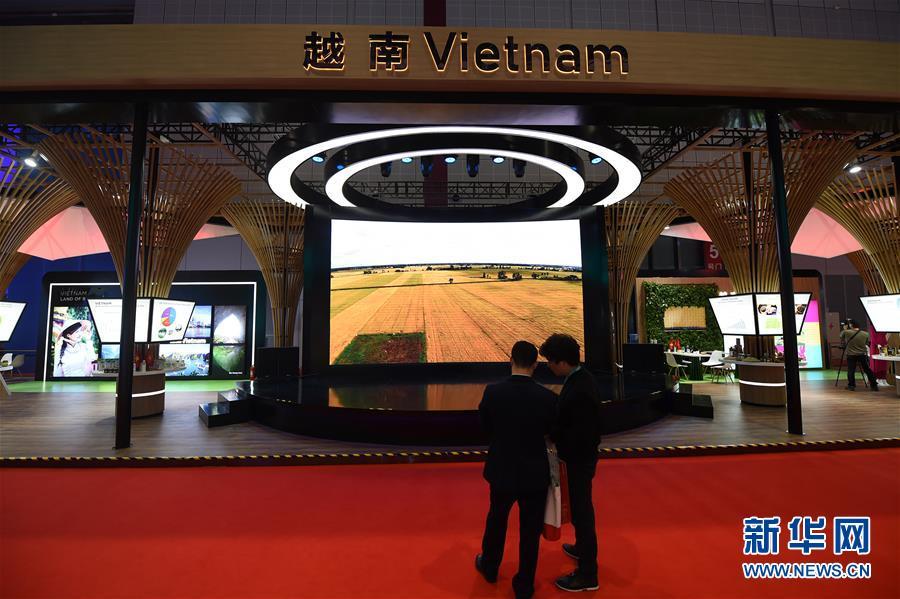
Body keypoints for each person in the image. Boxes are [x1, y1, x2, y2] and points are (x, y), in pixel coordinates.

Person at [476, 340, 557, 599]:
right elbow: (553, 432)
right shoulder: (547, 398)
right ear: (535, 364)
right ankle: (524, 584)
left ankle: (490, 567)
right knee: (530, 531)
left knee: (496, 519)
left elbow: (485, 427)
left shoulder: (493, 392)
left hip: (502, 468)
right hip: (534, 472)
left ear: (511, 360)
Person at [540, 333, 601, 592]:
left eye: (551, 362)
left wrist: (552, 435)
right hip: (580, 458)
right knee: (578, 510)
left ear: (563, 362)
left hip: (578, 460)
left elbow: (578, 431)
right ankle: (582, 549)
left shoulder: (580, 389)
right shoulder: (580, 379)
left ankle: (588, 575)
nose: (549, 366)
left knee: (582, 512)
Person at [840, 319, 878, 392]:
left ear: (851, 325)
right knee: (867, 370)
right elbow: (866, 343)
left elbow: (841, 336)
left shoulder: (847, 332)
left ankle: (851, 386)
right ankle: (874, 385)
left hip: (851, 355)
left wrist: (844, 329)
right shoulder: (865, 333)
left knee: (851, 370)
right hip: (862, 354)